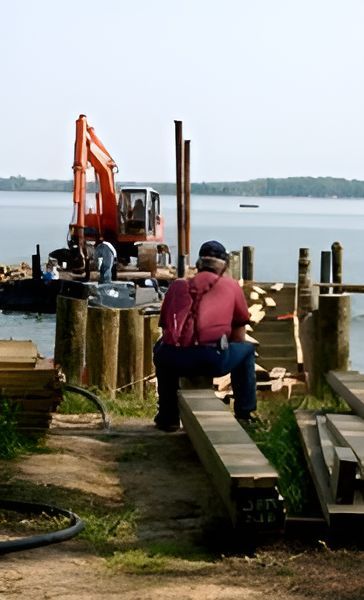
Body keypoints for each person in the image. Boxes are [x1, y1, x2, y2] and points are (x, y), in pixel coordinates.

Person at [153, 240, 256, 432]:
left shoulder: (177, 286)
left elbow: (166, 329)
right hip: (211, 359)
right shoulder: (231, 286)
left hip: (174, 360)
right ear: (224, 265)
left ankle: (168, 416)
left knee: (161, 349)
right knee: (247, 351)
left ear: (198, 264)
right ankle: (245, 414)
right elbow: (239, 337)